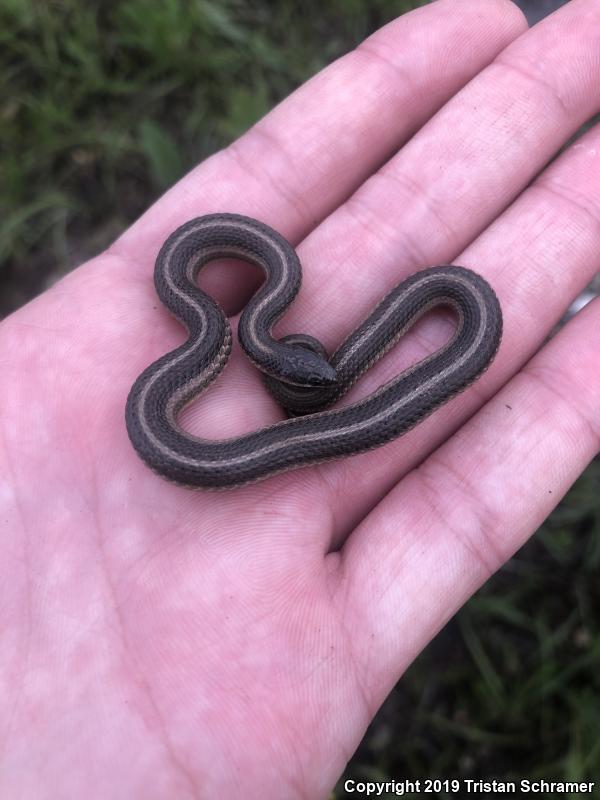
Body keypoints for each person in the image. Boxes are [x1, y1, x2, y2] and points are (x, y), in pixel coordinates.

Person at [0, 0, 598, 796]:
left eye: (311, 375)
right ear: (261, 350)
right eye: (310, 375)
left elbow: (321, 373)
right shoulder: (212, 333)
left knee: (397, 351)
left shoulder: (272, 313)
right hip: (239, 356)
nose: (326, 382)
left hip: (340, 323)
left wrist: (321, 375)